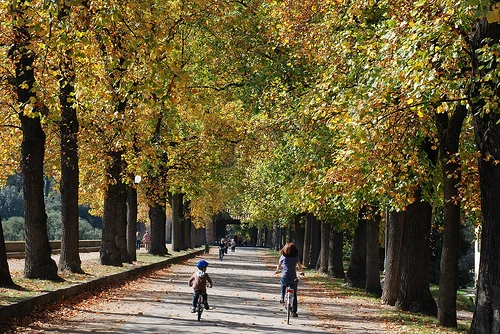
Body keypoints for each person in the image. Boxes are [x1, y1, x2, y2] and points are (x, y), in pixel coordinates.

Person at [274, 242, 304, 318]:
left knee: (283, 282)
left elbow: (279, 265)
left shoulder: (283, 257)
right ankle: (294, 312)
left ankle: (282, 296)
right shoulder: (296, 257)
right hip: (293, 278)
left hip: (285, 276)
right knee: (294, 295)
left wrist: (277, 270)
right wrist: (302, 272)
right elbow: (299, 266)